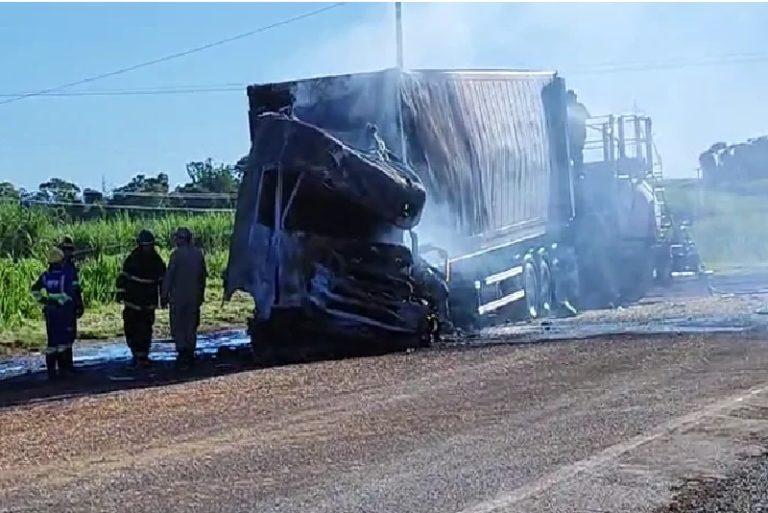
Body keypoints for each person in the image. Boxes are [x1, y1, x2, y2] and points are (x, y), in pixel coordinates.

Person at [116, 229, 166, 368]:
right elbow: (123, 277)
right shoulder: (132, 259)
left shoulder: (156, 260)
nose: (148, 248)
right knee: (132, 328)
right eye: (146, 245)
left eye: (150, 245)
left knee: (145, 329)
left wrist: (163, 297)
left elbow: (163, 279)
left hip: (148, 302)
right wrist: (120, 294)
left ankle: (143, 355)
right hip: (133, 301)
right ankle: (136, 354)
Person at [31, 247, 84, 380]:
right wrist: (78, 305)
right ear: (61, 261)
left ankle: (51, 372)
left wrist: (44, 300)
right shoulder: (66, 275)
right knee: (64, 341)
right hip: (64, 311)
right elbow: (74, 292)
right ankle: (64, 369)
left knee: (52, 342)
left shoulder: (45, 276)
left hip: (50, 311)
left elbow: (34, 290)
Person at [163, 227, 207, 369]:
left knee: (178, 324)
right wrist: (201, 295)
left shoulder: (176, 255)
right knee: (191, 325)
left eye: (177, 238)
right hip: (194, 296)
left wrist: (164, 294)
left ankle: (182, 351)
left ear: (182, 239)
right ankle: (190, 351)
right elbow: (203, 277)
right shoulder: (198, 254)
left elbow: (169, 277)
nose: (176, 240)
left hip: (178, 297)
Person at [58, 236, 83, 371]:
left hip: (69, 306)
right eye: (66, 249)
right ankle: (64, 365)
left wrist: (79, 303)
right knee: (64, 336)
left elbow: (76, 287)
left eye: (70, 250)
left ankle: (67, 364)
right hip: (64, 307)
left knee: (69, 336)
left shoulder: (67, 265)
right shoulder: (64, 266)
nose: (69, 252)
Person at [566, 90, 590, 171]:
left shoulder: (578, 107)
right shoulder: (566, 108)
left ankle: (579, 172)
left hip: (578, 136)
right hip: (571, 137)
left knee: (577, 156)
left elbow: (587, 116)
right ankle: (578, 172)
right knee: (573, 155)